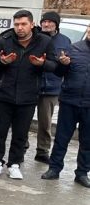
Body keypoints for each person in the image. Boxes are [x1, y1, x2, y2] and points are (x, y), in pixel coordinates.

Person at [0, 10, 57, 179]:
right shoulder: (4, 39)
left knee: (20, 133)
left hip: (28, 95)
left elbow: (54, 66)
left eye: (23, 24)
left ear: (32, 24)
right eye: (17, 24)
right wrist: (2, 62)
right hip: (4, 94)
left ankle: (14, 164)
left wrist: (43, 63)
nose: (20, 28)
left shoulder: (44, 41)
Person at [42, 27, 90, 187]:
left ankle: (82, 173)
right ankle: (54, 169)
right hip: (69, 101)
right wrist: (63, 64)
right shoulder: (74, 48)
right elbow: (59, 72)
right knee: (62, 138)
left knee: (87, 141)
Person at [35, 11, 71, 163]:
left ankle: (42, 151)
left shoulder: (64, 41)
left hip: (51, 87)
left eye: (50, 22)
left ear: (56, 25)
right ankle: (22, 146)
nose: (46, 24)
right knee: (22, 120)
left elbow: (68, 64)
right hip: (32, 84)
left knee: (45, 122)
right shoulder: (35, 37)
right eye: (44, 21)